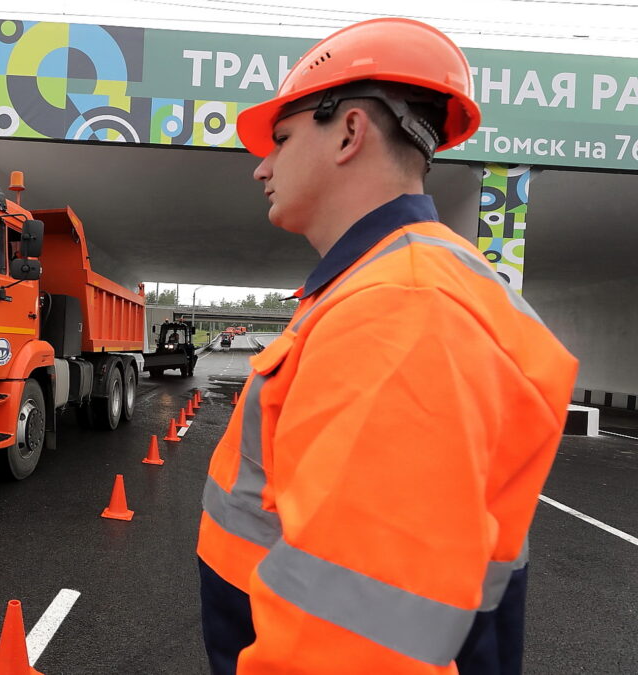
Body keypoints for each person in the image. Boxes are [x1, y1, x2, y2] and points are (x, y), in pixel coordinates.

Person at [197, 18, 578, 675]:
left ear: (348, 131)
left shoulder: (401, 311)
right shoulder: (382, 289)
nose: (261, 165)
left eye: (281, 138)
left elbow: (356, 642)